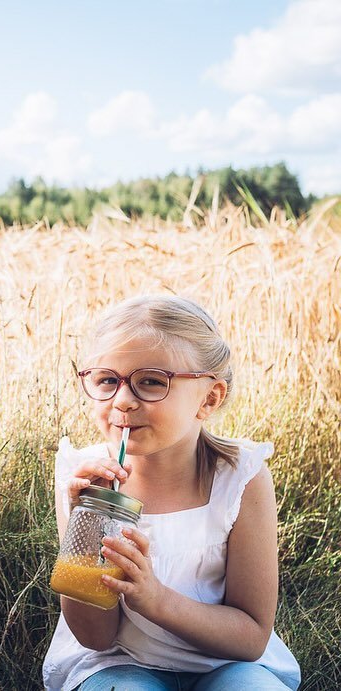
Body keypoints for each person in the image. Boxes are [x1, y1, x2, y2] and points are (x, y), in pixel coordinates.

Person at [42, 295, 300, 690]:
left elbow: (251, 638)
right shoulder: (84, 481)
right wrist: (87, 523)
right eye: (107, 380)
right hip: (118, 663)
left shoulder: (240, 479)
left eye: (151, 381)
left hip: (226, 662)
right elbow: (95, 637)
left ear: (209, 398)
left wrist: (155, 599)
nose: (123, 400)